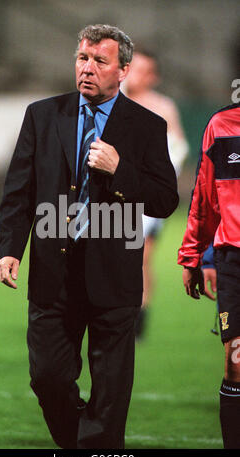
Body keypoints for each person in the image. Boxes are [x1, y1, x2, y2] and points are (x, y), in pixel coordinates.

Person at [0, 24, 179, 449]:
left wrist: (120, 171)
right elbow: (18, 191)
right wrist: (10, 249)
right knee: (47, 377)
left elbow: (165, 200)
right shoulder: (41, 115)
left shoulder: (147, 126)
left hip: (114, 277)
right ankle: (83, 446)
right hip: (51, 274)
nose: (88, 68)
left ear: (124, 71)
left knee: (111, 391)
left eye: (101, 61)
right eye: (83, 58)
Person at [177, 103, 240, 449]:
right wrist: (194, 256)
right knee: (236, 363)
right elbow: (204, 195)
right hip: (234, 260)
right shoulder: (222, 124)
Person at [123, 47, 188, 338]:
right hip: (111, 194)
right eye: (131, 66)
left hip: (146, 196)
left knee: (140, 256)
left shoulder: (162, 107)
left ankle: (139, 314)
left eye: (141, 69)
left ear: (153, 76)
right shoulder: (111, 101)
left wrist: (156, 180)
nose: (132, 73)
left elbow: (177, 148)